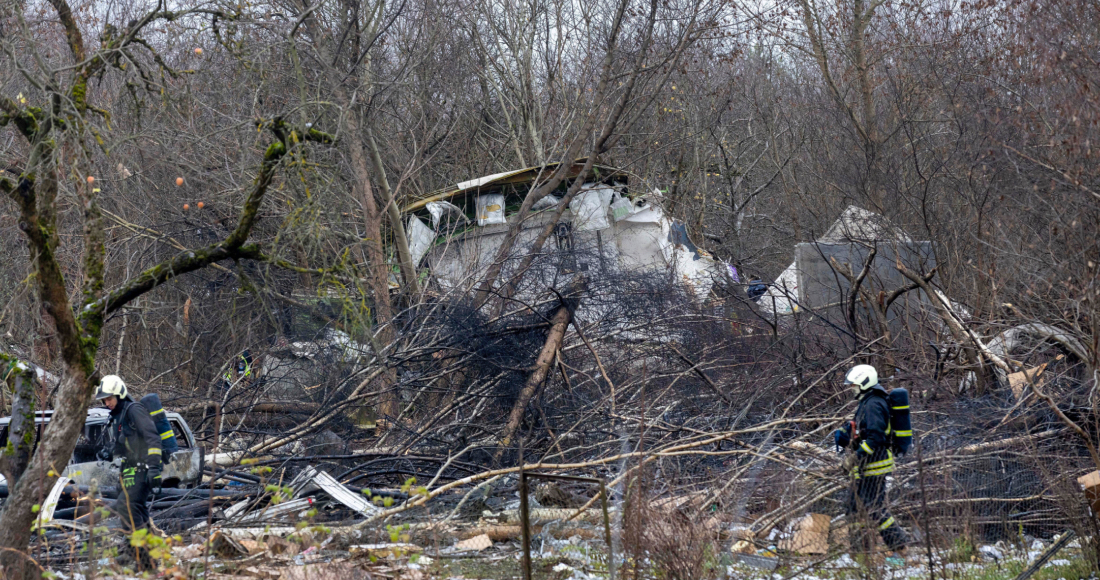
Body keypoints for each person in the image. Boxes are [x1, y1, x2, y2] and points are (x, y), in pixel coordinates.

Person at [834, 364, 909, 560]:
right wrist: (846, 432)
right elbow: (864, 430)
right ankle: (860, 551)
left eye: (853, 385)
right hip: (866, 465)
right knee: (852, 505)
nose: (851, 388)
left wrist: (855, 457)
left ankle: (899, 547)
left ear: (863, 383)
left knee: (873, 507)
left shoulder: (874, 403)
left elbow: (875, 437)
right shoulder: (867, 402)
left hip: (874, 465)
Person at [92, 375, 163, 533]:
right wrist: (110, 452)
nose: (107, 403)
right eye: (104, 400)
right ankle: (150, 548)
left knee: (126, 506)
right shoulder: (119, 415)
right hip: (130, 470)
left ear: (119, 394)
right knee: (136, 508)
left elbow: (153, 438)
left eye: (109, 399)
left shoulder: (134, 410)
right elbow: (127, 444)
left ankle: (135, 549)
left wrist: (153, 468)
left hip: (144, 468)